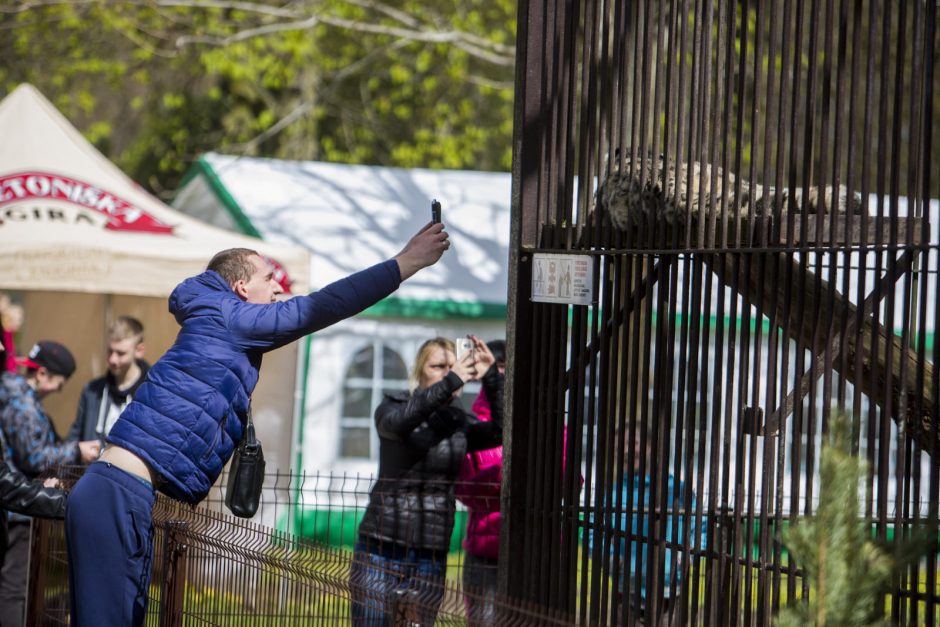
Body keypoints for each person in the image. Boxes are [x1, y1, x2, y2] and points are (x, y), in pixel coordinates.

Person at [65, 221, 450, 627]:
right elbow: (323, 305)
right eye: (270, 279)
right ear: (242, 288)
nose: (279, 290)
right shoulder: (233, 318)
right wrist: (405, 263)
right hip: (116, 496)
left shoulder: (216, 317)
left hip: (118, 492)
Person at [349, 335, 503, 626]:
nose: (448, 372)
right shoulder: (392, 407)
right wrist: (452, 381)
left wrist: (492, 377)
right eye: (439, 366)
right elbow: (401, 425)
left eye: (453, 366)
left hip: (429, 552)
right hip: (382, 545)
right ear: (419, 371)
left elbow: (499, 432)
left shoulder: (457, 421)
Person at [0, 340, 101, 627]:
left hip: (15, 500)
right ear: (42, 374)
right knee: (14, 589)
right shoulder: (23, 405)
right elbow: (32, 456)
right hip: (18, 508)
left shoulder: (15, 396)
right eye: (60, 382)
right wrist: (76, 451)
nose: (59, 389)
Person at [454, 339, 505, 625]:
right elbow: (463, 487)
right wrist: (505, 476)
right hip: (485, 550)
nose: (501, 375)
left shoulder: (546, 418)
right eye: (495, 368)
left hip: (536, 549)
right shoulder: (473, 423)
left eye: (505, 367)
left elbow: (568, 478)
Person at [69, 316, 149, 447]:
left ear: (139, 351)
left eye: (121, 353)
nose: (113, 360)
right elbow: (75, 436)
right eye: (110, 351)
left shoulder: (151, 394)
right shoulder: (92, 391)